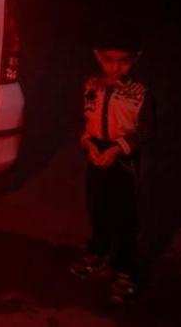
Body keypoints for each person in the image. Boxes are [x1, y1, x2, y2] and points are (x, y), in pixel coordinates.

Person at [70, 27, 154, 304]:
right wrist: (89, 144)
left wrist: (119, 149)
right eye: (109, 60)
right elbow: (83, 117)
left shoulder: (140, 91)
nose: (116, 67)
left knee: (125, 214)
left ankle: (125, 271)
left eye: (124, 61)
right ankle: (98, 252)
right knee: (97, 205)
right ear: (97, 56)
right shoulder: (90, 83)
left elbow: (146, 129)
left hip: (124, 158)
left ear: (136, 59)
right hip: (96, 152)